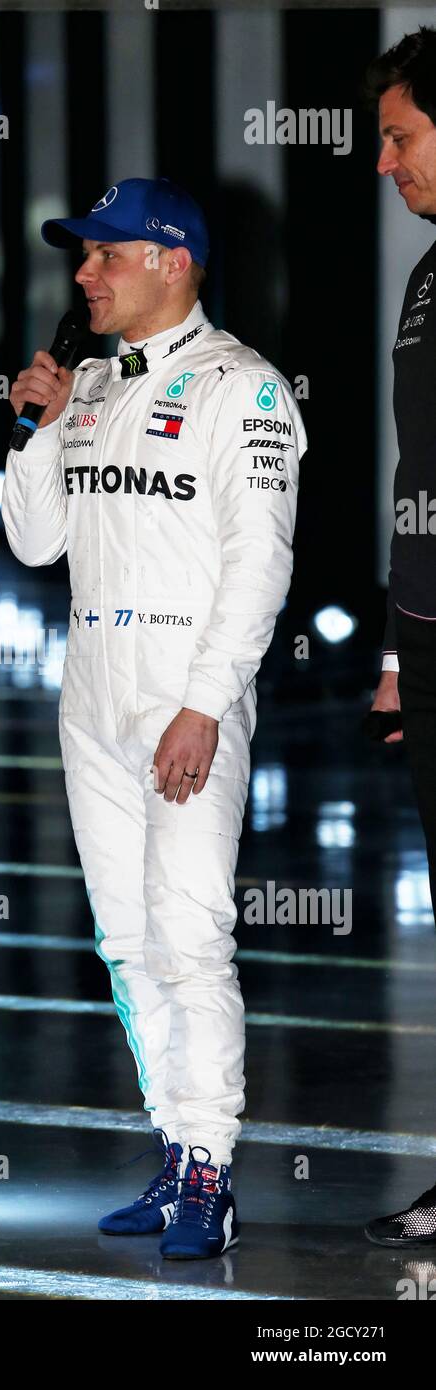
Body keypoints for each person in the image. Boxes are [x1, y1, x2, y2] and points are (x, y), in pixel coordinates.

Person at [2, 178, 306, 1259]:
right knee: (126, 942)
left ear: (171, 260)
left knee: (187, 936)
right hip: (91, 683)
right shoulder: (85, 384)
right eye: (79, 257)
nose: (81, 273)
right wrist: (35, 427)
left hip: (184, 683)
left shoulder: (245, 389)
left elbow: (257, 564)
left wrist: (204, 703)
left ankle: (211, 1171)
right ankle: (173, 1148)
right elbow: (35, 542)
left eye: (102, 255)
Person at [365, 28, 436, 1248]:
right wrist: (389, 647)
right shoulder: (427, 275)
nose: (382, 162)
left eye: (402, 138)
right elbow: (409, 470)